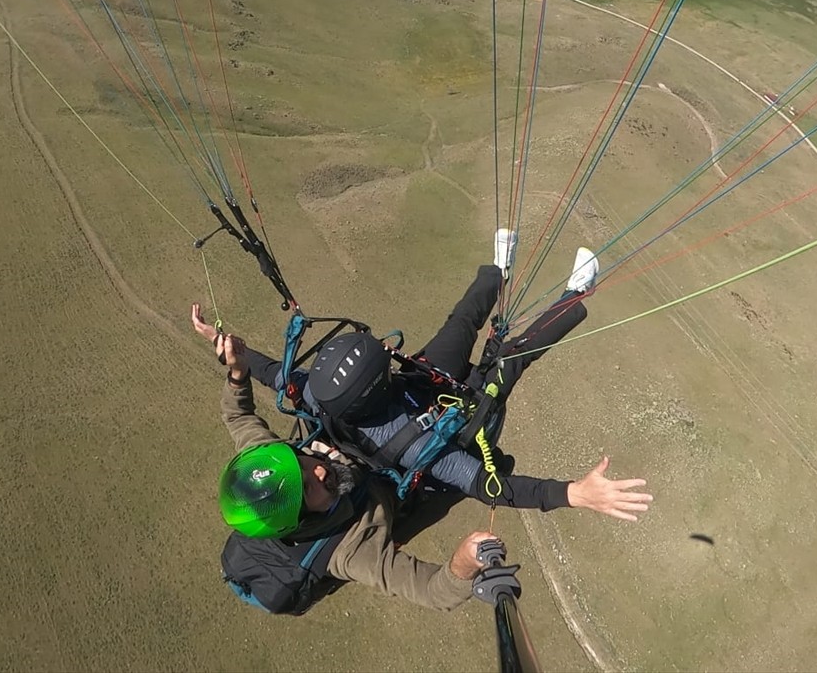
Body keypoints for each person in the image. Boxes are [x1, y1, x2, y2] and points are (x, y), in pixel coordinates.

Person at [194, 230, 653, 523]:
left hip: (423, 383)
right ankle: (577, 293)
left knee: (460, 324)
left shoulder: (318, 397)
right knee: (513, 356)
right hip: (458, 415)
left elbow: (275, 375)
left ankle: (498, 271)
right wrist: (575, 494)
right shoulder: (417, 450)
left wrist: (232, 353)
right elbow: (492, 487)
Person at [214, 332, 506, 612]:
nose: (318, 471)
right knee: (490, 466)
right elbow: (430, 591)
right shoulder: (349, 552)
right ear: (304, 518)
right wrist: (464, 564)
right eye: (308, 488)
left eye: (300, 463)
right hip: (408, 493)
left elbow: (238, 416)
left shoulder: (270, 463)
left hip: (361, 453)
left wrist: (238, 372)